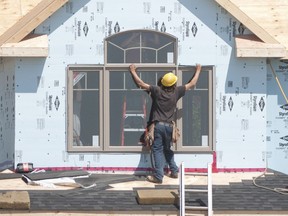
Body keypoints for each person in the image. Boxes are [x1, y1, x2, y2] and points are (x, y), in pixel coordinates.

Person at [129, 63, 202, 184]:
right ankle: (174, 171)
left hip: (158, 126)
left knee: (157, 150)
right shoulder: (177, 92)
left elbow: (141, 84)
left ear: (163, 83)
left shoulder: (157, 91)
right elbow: (192, 84)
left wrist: (132, 71)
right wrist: (198, 70)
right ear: (173, 84)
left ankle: (158, 176)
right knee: (167, 149)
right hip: (169, 127)